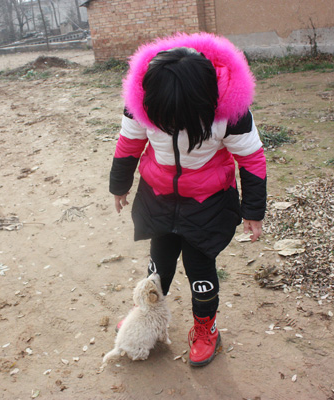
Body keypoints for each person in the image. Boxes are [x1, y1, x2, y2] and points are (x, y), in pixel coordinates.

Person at [109, 33, 267, 367]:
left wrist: (253, 211)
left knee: (200, 269)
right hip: (159, 197)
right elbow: (129, 144)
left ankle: (206, 329)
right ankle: (146, 316)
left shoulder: (231, 112)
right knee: (158, 265)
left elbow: (251, 159)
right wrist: (119, 185)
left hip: (208, 203)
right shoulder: (142, 102)